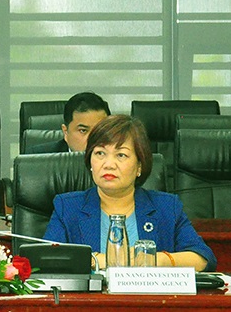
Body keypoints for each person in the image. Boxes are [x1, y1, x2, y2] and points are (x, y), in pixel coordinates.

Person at [43, 115, 215, 270]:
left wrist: (157, 259)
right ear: (90, 162)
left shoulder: (166, 207)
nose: (108, 164)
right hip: (91, 303)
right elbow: (47, 260)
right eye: (100, 153)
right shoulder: (68, 207)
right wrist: (95, 260)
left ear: (140, 166)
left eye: (121, 155)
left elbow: (203, 259)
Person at [24, 91, 110, 154]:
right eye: (83, 131)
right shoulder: (39, 158)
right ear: (65, 132)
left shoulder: (117, 159)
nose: (93, 139)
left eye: (99, 130)